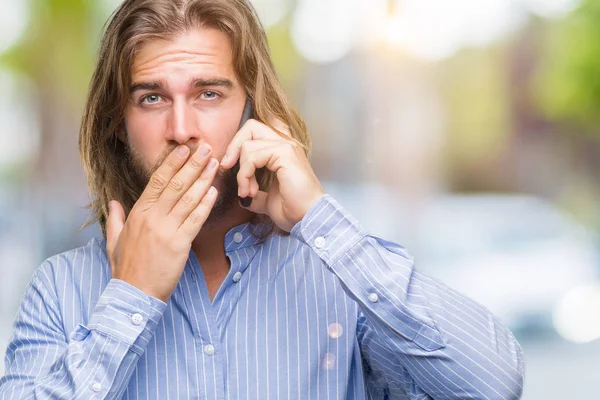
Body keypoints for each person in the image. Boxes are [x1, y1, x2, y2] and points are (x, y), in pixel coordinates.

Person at [0, 0, 525, 399]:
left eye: (209, 93)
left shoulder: (338, 278)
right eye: (152, 97)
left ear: (252, 110)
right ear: (119, 125)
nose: (182, 130)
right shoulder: (61, 289)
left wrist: (320, 216)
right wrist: (130, 300)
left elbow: (494, 383)